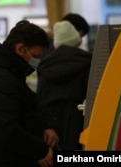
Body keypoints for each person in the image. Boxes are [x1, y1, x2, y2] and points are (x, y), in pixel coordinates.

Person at [0, 20, 58, 167]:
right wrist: (40, 151)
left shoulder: (6, 72)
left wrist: (47, 124)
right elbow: (6, 131)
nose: (37, 61)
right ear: (20, 49)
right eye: (36, 56)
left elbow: (31, 101)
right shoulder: (0, 79)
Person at [36, 20, 92, 150]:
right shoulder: (87, 62)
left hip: (50, 119)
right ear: (77, 41)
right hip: (80, 116)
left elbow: (40, 96)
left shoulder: (44, 65)